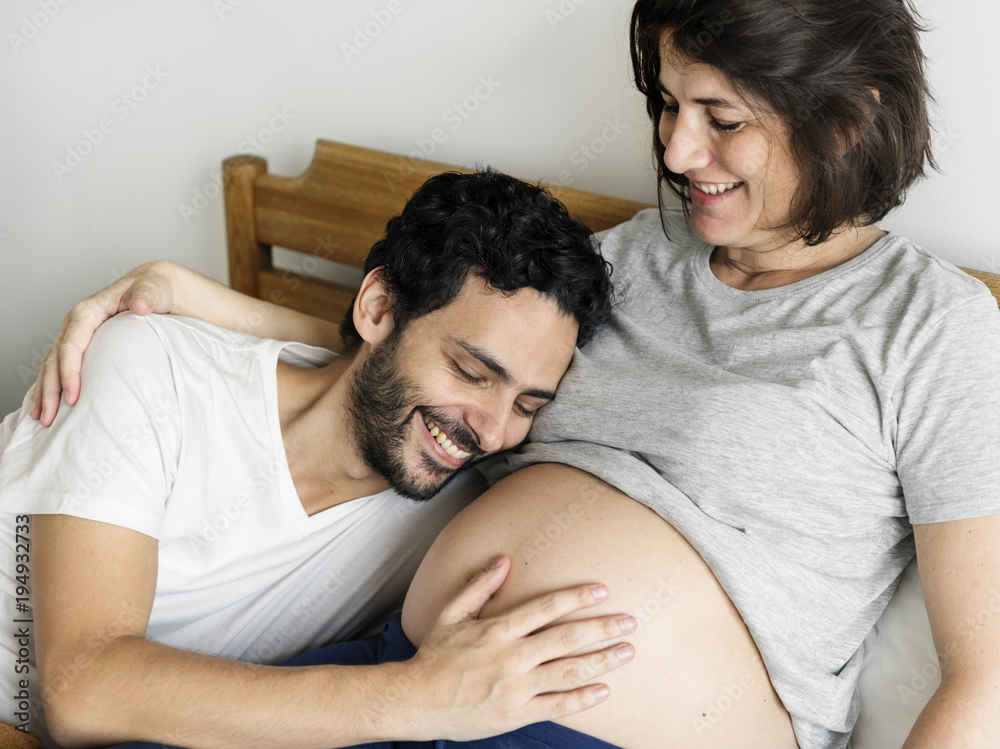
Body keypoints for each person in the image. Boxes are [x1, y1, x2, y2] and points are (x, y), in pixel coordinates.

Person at [26, 0, 1000, 747]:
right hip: (403, 675)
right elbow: (431, 354)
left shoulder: (933, 328)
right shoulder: (626, 260)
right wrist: (184, 296)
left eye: (721, 118)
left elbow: (983, 678)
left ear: (844, 119)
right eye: (667, 106)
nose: (675, 149)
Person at [0, 169, 639, 749]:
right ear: (378, 308)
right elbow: (83, 692)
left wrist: (186, 284)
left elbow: (364, 361)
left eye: (528, 403)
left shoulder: (457, 496)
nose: (493, 431)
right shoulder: (148, 369)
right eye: (472, 372)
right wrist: (421, 698)